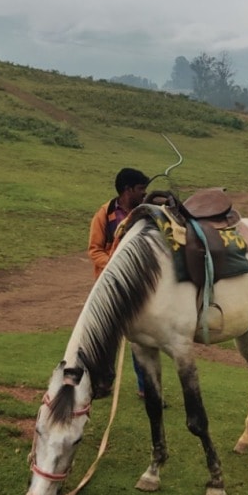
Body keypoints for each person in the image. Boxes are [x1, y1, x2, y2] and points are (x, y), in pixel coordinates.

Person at [89, 168, 150, 395]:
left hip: (138, 284)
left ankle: (146, 387)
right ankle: (102, 382)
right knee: (106, 337)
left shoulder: (144, 214)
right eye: (141, 189)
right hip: (109, 284)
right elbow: (94, 250)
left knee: (141, 337)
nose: (145, 193)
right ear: (128, 190)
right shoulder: (104, 215)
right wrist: (116, 266)